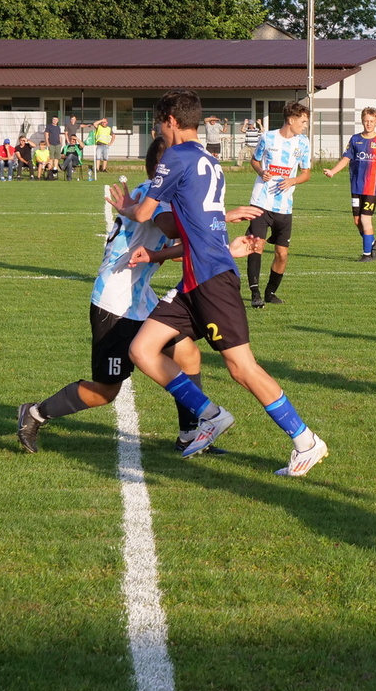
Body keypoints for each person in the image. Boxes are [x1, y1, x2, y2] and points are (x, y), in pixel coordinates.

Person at [113, 88, 329, 475]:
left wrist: (126, 206)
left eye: (160, 125)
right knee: (142, 349)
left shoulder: (176, 156)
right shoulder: (210, 160)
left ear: (171, 121)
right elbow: (197, 222)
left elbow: (145, 213)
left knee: (241, 368)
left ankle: (306, 441)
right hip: (195, 278)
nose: (158, 132)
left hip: (211, 279)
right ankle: (211, 415)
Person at [18, 137, 213, 455]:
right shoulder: (152, 194)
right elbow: (173, 229)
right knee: (105, 391)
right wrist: (215, 217)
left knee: (187, 353)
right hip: (115, 302)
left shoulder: (164, 197)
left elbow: (176, 247)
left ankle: (190, 435)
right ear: (165, 169)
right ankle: (35, 413)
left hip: (140, 298)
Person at [245, 101, 312, 308]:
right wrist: (261, 171)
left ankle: (270, 292)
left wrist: (293, 180)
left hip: (284, 206)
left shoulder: (303, 143)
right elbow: (255, 160)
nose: (305, 125)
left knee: (282, 254)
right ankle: (255, 293)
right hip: (261, 202)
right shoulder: (268, 137)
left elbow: (306, 173)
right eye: (303, 121)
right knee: (257, 246)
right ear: (291, 120)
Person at [323, 106, 376, 262]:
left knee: (365, 219)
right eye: (366, 121)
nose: (368, 124)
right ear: (362, 121)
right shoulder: (355, 139)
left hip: (371, 186)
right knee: (357, 221)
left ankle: (367, 254)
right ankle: (372, 242)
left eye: (371, 121)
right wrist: (333, 171)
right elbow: (346, 159)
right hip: (356, 186)